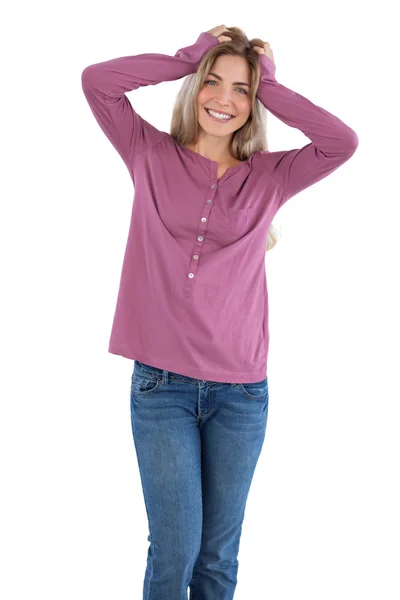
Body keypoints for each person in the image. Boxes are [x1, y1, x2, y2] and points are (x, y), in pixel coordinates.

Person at [81, 24, 358, 599]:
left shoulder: (273, 176)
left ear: (253, 102)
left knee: (216, 558)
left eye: (240, 90)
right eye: (213, 83)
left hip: (241, 392)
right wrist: (189, 57)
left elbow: (341, 142)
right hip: (162, 389)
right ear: (195, 86)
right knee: (174, 550)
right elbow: (98, 82)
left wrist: (268, 81)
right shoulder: (149, 154)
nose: (223, 99)